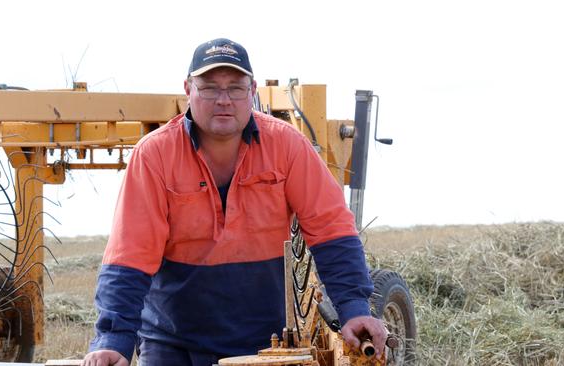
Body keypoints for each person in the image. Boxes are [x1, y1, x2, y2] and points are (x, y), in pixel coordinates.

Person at [82, 38, 387, 366]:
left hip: (265, 345)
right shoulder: (155, 155)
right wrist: (114, 340)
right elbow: (130, 258)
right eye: (210, 87)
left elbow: (331, 232)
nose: (223, 100)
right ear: (188, 89)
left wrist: (354, 308)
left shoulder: (287, 147)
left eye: (236, 88)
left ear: (252, 90)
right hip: (172, 343)